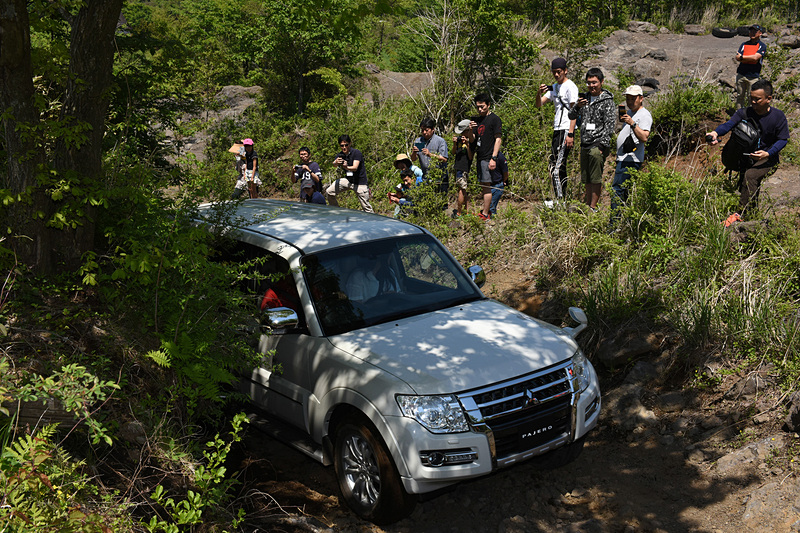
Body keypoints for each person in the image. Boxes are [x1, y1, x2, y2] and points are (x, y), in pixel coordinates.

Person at [707, 79, 789, 219]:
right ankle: (752, 215)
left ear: (769, 99)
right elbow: (729, 124)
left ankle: (741, 215)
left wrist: (768, 153)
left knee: (750, 176)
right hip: (745, 156)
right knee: (748, 184)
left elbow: (783, 140)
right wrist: (715, 133)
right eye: (751, 99)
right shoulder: (744, 113)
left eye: (757, 99)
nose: (753, 102)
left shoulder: (778, 116)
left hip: (768, 158)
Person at [568, 68, 615, 210]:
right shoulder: (584, 99)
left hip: (597, 145)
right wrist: (577, 106)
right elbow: (571, 116)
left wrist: (602, 146)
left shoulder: (607, 101)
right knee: (586, 177)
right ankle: (587, 205)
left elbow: (610, 125)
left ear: (601, 82)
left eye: (594, 82)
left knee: (595, 177)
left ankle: (593, 207)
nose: (591, 86)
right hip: (585, 144)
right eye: (589, 83)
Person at [536, 57, 579, 206]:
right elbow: (539, 104)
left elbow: (574, 111)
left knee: (556, 166)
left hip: (566, 128)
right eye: (554, 72)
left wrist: (571, 133)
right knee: (555, 165)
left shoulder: (570, 86)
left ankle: (561, 200)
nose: (556, 75)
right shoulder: (554, 87)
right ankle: (561, 197)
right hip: (557, 129)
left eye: (559, 72)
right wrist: (538, 92)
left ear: (565, 71)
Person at [612, 85, 652, 213]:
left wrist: (633, 123)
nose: (629, 102)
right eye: (628, 99)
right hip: (623, 158)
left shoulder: (644, 115)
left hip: (631, 160)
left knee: (618, 192)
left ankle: (615, 225)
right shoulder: (629, 112)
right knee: (622, 193)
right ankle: (621, 224)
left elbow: (644, 137)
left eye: (633, 99)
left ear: (641, 98)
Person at [467, 93, 502, 221]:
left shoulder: (494, 119)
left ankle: (486, 213)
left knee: (487, 185)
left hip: (488, 156)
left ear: (488, 105)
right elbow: (472, 140)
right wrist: (470, 130)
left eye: (482, 107)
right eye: (478, 107)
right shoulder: (476, 120)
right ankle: (486, 211)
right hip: (480, 156)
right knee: (483, 185)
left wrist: (494, 158)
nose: (480, 109)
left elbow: (498, 139)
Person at [326, 134, 374, 213]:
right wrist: (336, 162)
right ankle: (336, 211)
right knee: (329, 191)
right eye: (342, 145)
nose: (344, 147)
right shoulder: (340, 154)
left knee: (366, 207)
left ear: (350, 144)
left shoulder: (356, 153)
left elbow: (355, 167)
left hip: (360, 182)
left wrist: (346, 167)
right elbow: (334, 164)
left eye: (346, 145)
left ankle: (374, 221)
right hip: (348, 180)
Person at [735, 25, 767, 110]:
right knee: (739, 96)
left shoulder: (762, 46)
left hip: (753, 76)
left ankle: (751, 116)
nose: (752, 33)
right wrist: (746, 58)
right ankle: (738, 114)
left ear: (760, 33)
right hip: (741, 74)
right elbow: (737, 57)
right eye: (751, 31)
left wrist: (743, 57)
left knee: (752, 98)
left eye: (755, 31)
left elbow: (756, 58)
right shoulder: (744, 44)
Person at [451, 119, 474, 217]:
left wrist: (468, 144)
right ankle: (464, 211)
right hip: (459, 167)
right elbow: (453, 153)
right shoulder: (460, 140)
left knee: (462, 189)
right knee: (462, 188)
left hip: (465, 167)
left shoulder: (471, 141)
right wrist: (455, 143)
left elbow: (470, 157)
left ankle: (461, 212)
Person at [488, 152, 508, 217]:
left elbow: (505, 172)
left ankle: (492, 222)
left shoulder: (500, 157)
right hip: (488, 185)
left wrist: (504, 181)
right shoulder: (486, 154)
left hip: (497, 185)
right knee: (488, 207)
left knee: (491, 208)